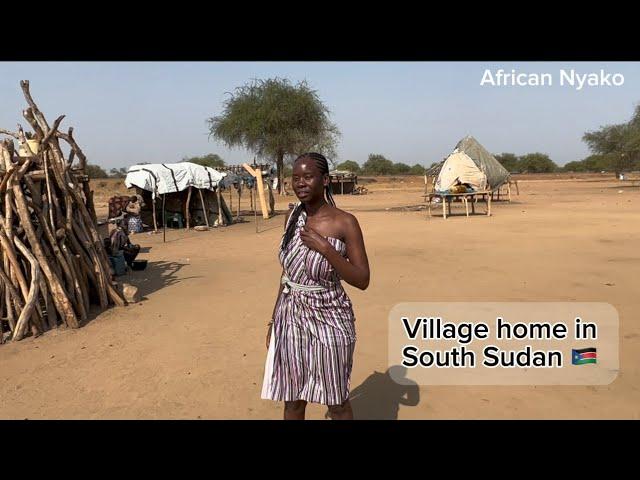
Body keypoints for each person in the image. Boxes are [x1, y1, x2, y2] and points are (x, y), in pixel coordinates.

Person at [261, 152, 370, 420]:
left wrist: (326, 249)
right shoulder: (292, 218)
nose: (300, 183)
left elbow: (362, 279)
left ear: (325, 180)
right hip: (291, 316)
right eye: (295, 178)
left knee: (337, 403)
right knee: (293, 401)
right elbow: (287, 274)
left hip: (330, 316)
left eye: (308, 177)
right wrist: (274, 320)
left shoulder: (345, 222)